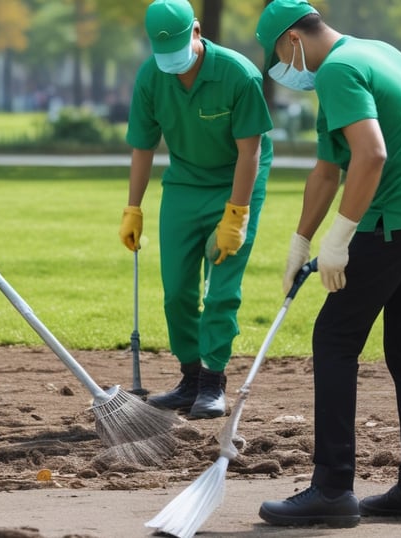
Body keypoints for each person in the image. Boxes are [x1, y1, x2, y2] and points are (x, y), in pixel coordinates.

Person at [253, 0, 401, 528]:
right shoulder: (375, 52)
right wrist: (302, 242)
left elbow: (371, 156)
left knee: (335, 338)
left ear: (291, 42)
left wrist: (341, 238)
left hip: (400, 214)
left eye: (276, 55)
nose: (281, 68)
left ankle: (331, 489)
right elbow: (329, 170)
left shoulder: (340, 72)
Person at [119, 0, 274, 419]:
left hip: (236, 181)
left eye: (178, 52)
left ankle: (212, 382)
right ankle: (189, 378)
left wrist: (237, 214)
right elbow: (143, 146)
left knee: (220, 288)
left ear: (197, 32)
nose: (173, 64)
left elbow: (250, 152)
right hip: (184, 183)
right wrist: (133, 207)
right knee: (176, 291)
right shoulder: (152, 75)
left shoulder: (238, 74)